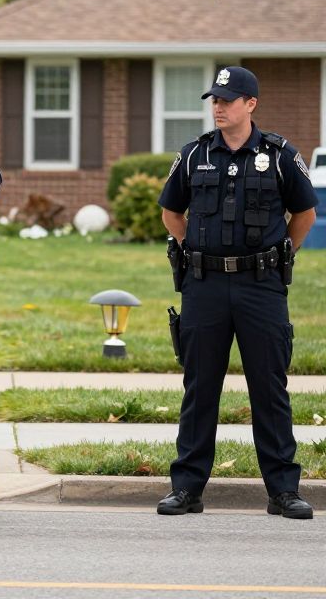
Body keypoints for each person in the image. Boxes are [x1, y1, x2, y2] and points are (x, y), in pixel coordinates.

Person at [158, 66, 318, 520]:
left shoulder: (280, 154)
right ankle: (187, 488)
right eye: (215, 99)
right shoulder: (193, 155)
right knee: (199, 386)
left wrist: (281, 251)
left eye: (229, 99)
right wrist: (194, 249)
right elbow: (172, 212)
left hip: (261, 286)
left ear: (251, 104)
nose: (219, 106)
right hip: (204, 284)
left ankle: (283, 490)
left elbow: (304, 212)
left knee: (268, 386)